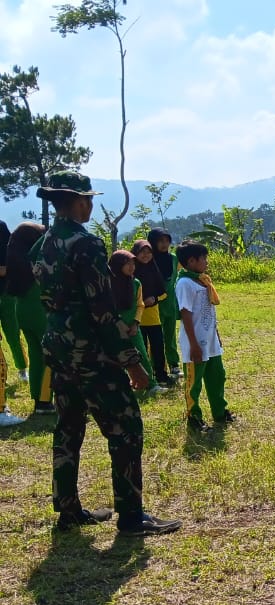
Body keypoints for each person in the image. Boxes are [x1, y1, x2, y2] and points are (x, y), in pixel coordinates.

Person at [31, 170, 181, 535]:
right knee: (126, 427)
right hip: (90, 351)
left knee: (68, 428)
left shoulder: (45, 242)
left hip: (58, 346)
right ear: (76, 201)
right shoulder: (86, 244)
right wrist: (132, 362)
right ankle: (131, 516)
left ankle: (68, 510)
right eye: (88, 199)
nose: (92, 205)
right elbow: (101, 309)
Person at [175, 240, 233, 433]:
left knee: (217, 377)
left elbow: (209, 312)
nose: (206, 262)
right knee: (194, 383)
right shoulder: (184, 283)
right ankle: (194, 417)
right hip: (196, 343)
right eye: (203, 258)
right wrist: (193, 345)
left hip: (210, 341)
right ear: (191, 261)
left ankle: (220, 411)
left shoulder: (201, 280)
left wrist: (215, 336)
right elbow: (185, 314)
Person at [6, 222, 54, 413]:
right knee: (50, 356)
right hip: (39, 311)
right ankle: (45, 400)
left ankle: (38, 400)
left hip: (22, 311)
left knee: (36, 356)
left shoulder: (16, 264)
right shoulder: (34, 264)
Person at [108, 249, 163, 395]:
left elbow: (140, 305)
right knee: (115, 358)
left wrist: (135, 323)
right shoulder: (107, 283)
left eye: (133, 263)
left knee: (141, 355)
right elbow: (107, 307)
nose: (131, 266)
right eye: (127, 263)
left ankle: (151, 385)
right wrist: (119, 323)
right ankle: (121, 388)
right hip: (113, 327)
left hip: (133, 327)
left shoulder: (136, 283)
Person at [130, 239, 175, 387]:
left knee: (157, 347)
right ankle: (144, 379)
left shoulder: (153, 269)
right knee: (140, 350)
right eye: (142, 252)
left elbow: (163, 293)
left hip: (153, 316)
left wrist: (154, 299)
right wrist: (142, 301)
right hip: (137, 318)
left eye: (149, 252)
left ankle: (161, 375)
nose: (146, 255)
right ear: (135, 253)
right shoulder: (130, 272)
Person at [149, 227, 182, 379]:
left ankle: (174, 365)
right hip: (154, 304)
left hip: (170, 302)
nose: (164, 244)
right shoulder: (149, 259)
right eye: (160, 241)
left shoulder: (174, 258)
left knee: (170, 335)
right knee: (156, 338)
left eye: (167, 241)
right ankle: (157, 367)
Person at [0, 220, 30, 384]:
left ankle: (21, 369)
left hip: (5, 292)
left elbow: (5, 268)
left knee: (12, 332)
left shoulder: (1, 227)